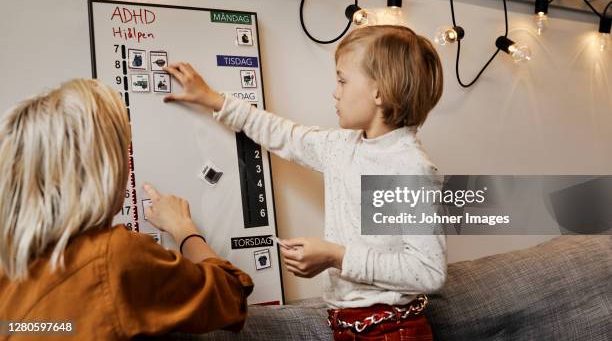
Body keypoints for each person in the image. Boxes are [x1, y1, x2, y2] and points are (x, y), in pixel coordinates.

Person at [162, 24, 447, 340]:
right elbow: (284, 134)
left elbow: (428, 272)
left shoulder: (408, 167)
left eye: (342, 80)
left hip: (394, 332)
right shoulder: (342, 147)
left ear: (379, 91)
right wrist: (214, 100)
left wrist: (335, 256)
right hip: (347, 326)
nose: (335, 91)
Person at [0, 79, 253, 340]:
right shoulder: (115, 256)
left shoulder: (10, 273)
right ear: (102, 167)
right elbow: (232, 298)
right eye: (122, 149)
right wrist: (184, 229)